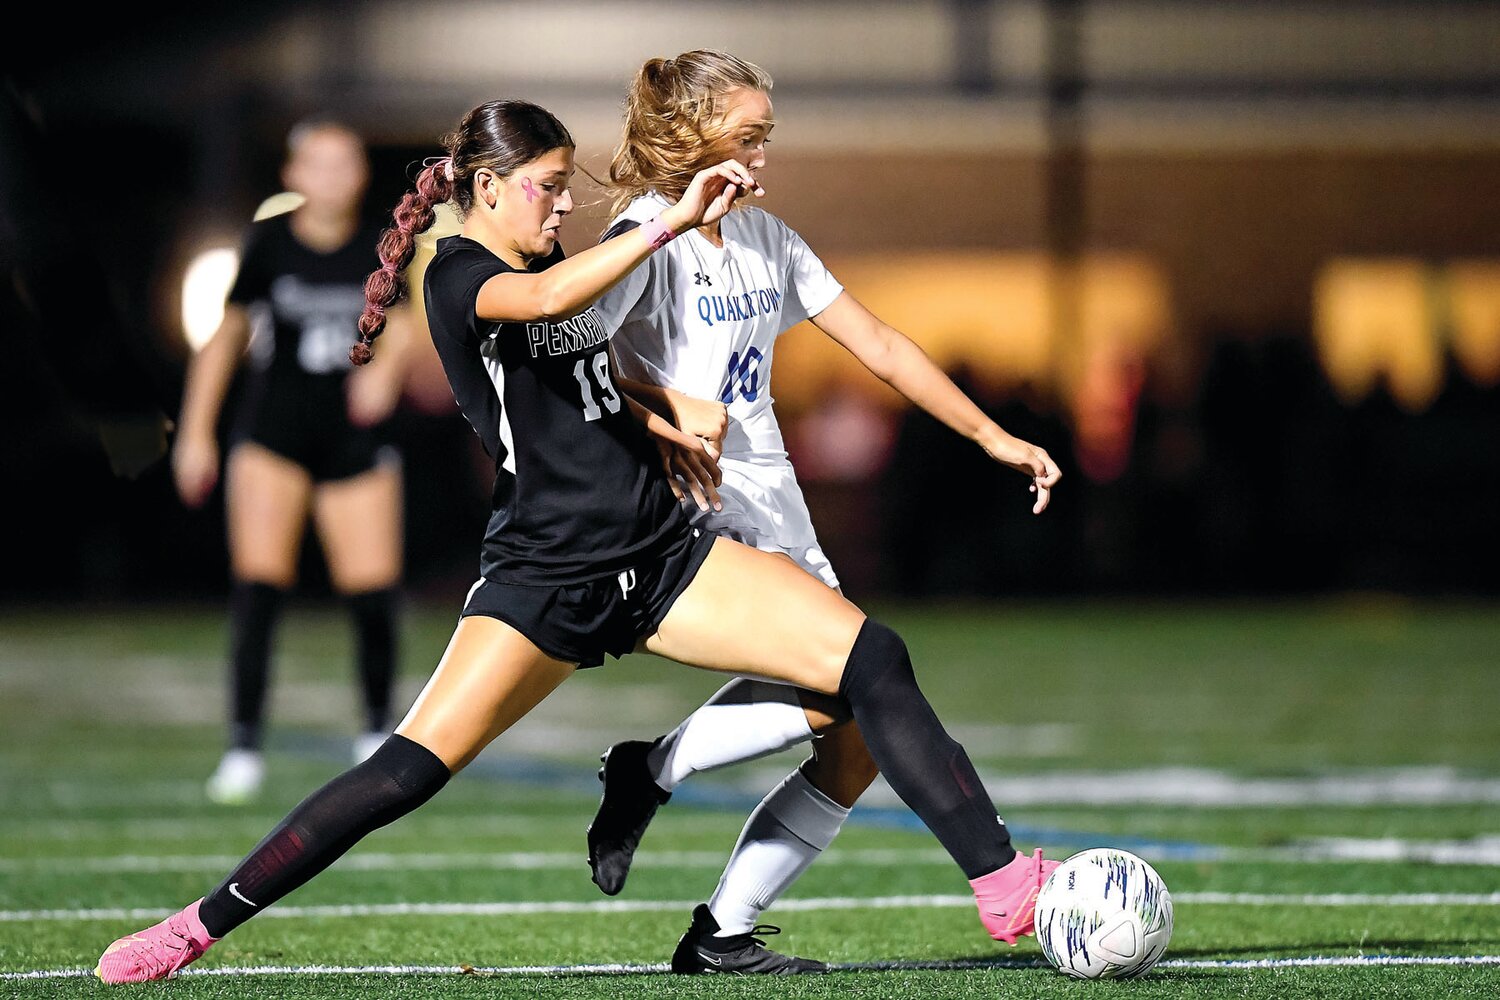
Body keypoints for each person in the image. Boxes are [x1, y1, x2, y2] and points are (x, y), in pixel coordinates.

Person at [96, 99, 1060, 985]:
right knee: (405, 772)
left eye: (565, 188)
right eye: (547, 188)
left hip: (665, 552)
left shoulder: (537, 265)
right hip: (547, 579)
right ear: (487, 187)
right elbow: (552, 313)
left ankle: (1001, 883)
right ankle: (194, 926)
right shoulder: (462, 276)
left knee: (871, 661)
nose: (561, 207)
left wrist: (662, 406)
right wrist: (669, 222)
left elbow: (578, 377)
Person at [583, 50, 1064, 974]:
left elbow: (878, 342)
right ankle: (999, 879)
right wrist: (668, 419)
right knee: (862, 676)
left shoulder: (768, 237)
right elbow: (577, 367)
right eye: (749, 134)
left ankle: (712, 912)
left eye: (766, 135)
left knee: (852, 744)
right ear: (691, 133)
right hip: (691, 502)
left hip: (771, 487)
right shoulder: (648, 232)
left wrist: (991, 435)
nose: (764, 154)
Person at [173, 121, 414, 803]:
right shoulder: (269, 242)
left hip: (354, 441)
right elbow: (226, 339)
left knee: (372, 592)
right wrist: (195, 434)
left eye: (346, 163)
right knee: (258, 588)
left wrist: (386, 369)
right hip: (273, 435)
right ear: (293, 175)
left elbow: (415, 324)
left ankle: (374, 736)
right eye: (319, 163)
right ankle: (244, 745)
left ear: (362, 174)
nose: (333, 176)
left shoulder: (385, 247)